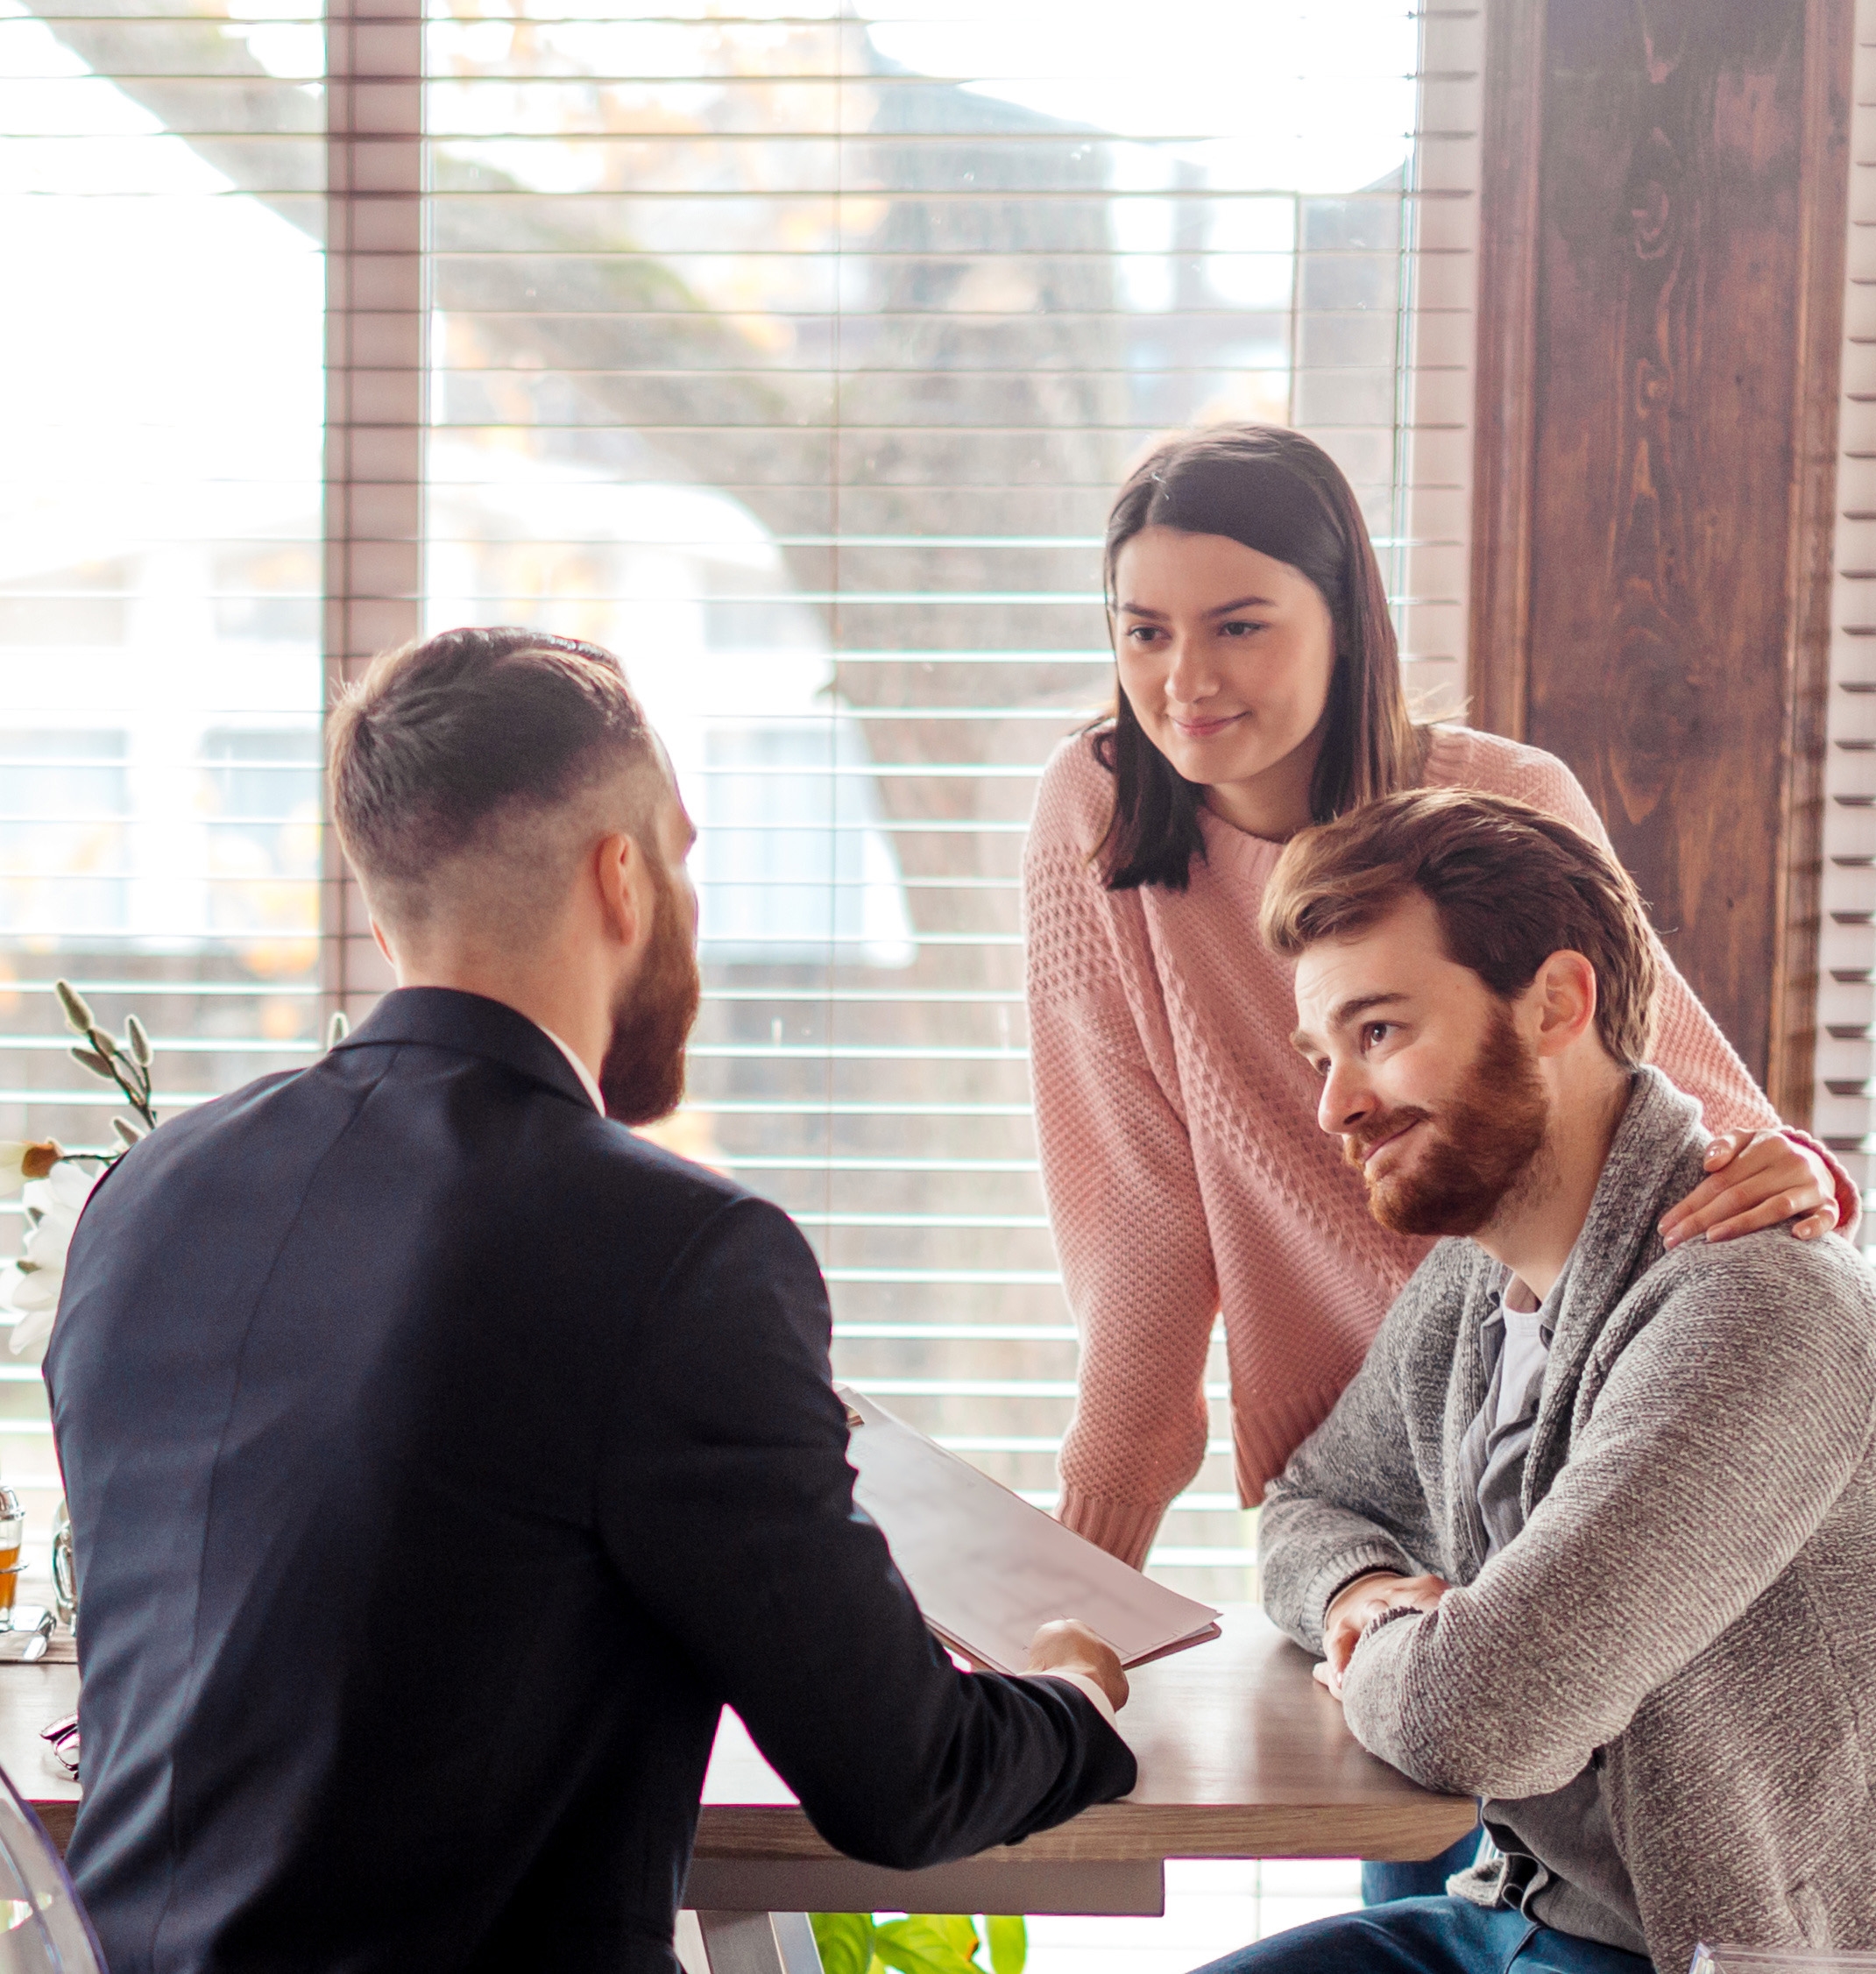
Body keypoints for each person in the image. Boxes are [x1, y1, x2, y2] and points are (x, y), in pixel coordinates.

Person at [46, 627, 1136, 1974]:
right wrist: (1076, 1689)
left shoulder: (142, 1202)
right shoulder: (676, 1251)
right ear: (622, 877)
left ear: (388, 923)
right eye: (681, 857)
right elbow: (905, 1775)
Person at [1020, 422, 1857, 1897]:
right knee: (1446, 1892)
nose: (1184, 679)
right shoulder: (1100, 814)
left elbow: (1682, 1089)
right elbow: (1141, 1236)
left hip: (1576, 1454)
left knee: (1605, 1869)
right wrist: (1069, 1617)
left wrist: (1795, 1182)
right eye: (1143, 631)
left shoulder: (1496, 802)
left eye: (1239, 625)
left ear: (1348, 619)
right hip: (1367, 1497)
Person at [1187, 787, 1876, 1974]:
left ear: (1556, 1003)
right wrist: (1364, 1595)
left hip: (1712, 1954)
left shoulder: (1760, 1309)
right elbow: (1311, 1504)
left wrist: (1383, 1645)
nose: (1335, 1105)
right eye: (1324, 1056)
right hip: (1517, 1914)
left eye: (1378, 1032)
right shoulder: (1472, 1283)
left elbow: (1484, 1715)